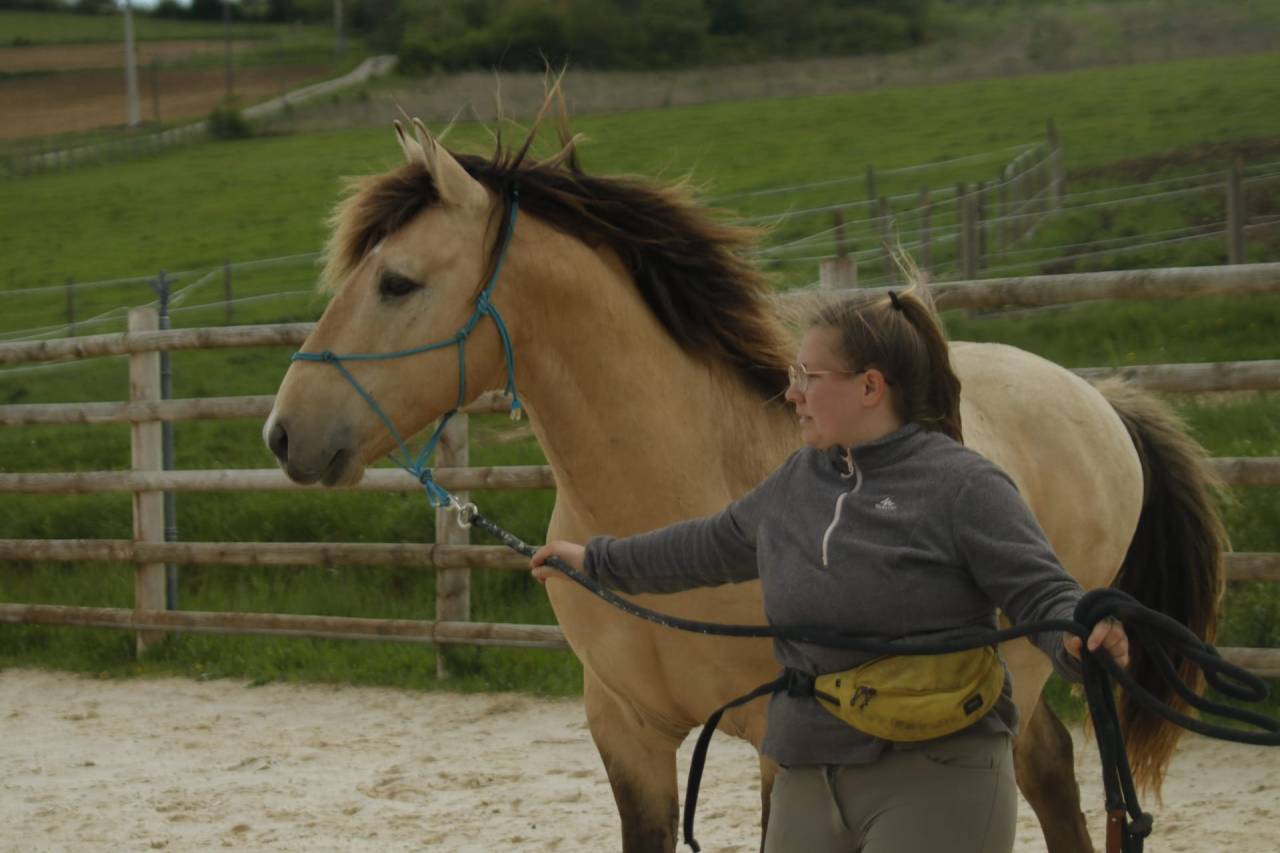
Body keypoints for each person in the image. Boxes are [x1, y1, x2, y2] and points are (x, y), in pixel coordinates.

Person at [531, 288, 1129, 853]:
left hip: (937, 769)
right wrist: (596, 561)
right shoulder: (800, 481)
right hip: (810, 767)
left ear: (870, 387)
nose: (791, 393)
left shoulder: (964, 486)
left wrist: (1077, 633)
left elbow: (1040, 590)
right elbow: (710, 545)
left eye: (808, 379)